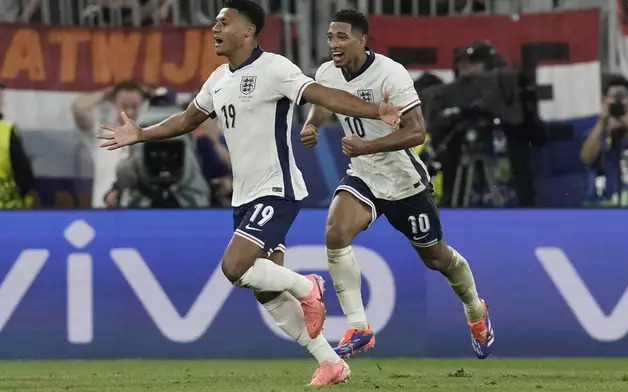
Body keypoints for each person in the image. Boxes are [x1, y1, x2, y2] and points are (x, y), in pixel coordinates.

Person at [96, 0, 401, 386]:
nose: (215, 28)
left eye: (225, 21)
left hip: (277, 189)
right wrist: (141, 134)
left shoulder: (274, 67)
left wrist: (376, 113)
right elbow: (188, 119)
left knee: (234, 268)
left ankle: (309, 286)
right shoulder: (219, 79)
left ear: (249, 30)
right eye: (215, 22)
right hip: (244, 197)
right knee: (262, 288)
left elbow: (322, 94)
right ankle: (330, 362)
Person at [300, 9, 494, 360]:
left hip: (404, 181)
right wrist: (313, 123)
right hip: (363, 173)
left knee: (436, 258)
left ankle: (475, 310)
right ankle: (359, 327)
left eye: (342, 37)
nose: (334, 44)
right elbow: (324, 103)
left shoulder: (390, 74)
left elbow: (417, 131)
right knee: (335, 233)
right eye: (330, 37)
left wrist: (368, 145)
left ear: (362, 40)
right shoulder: (327, 72)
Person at [72, 81, 147, 208]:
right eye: (124, 106)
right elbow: (78, 108)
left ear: (143, 105)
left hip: (136, 211)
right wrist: (107, 93)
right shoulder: (100, 132)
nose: (129, 111)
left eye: (134, 106)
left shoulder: (149, 135)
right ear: (114, 104)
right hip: (103, 210)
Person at [580, 74, 628, 206]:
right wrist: (602, 122)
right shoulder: (593, 133)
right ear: (604, 99)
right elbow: (586, 158)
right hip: (600, 203)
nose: (618, 101)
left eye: (622, 96)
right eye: (613, 97)